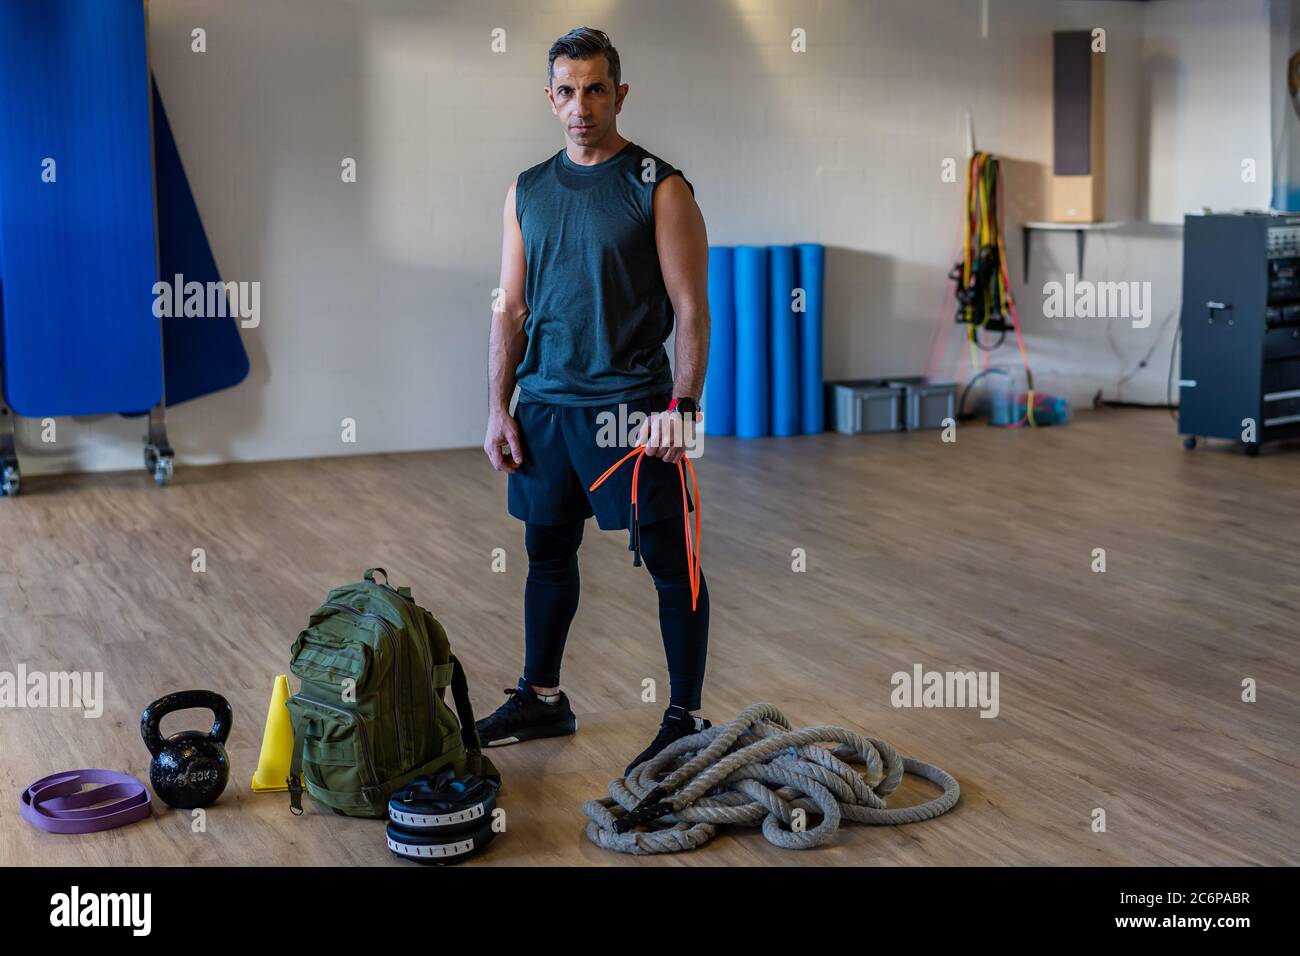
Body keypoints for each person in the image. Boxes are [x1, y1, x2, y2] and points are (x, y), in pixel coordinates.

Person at [480, 26, 712, 774]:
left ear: (620, 93)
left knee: (673, 563)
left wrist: (682, 409)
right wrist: (498, 405)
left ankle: (685, 717)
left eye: (596, 89)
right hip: (545, 405)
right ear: (550, 98)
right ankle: (542, 697)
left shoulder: (659, 185)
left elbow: (691, 307)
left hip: (633, 411)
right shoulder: (527, 189)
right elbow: (510, 308)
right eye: (567, 90)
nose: (581, 105)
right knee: (547, 553)